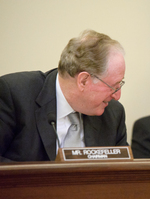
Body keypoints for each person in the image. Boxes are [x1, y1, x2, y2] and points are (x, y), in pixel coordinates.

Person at [0, 29, 128, 162]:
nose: (117, 96)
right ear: (83, 81)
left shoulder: (113, 114)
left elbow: (122, 174)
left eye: (120, 84)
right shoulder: (14, 95)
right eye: (113, 86)